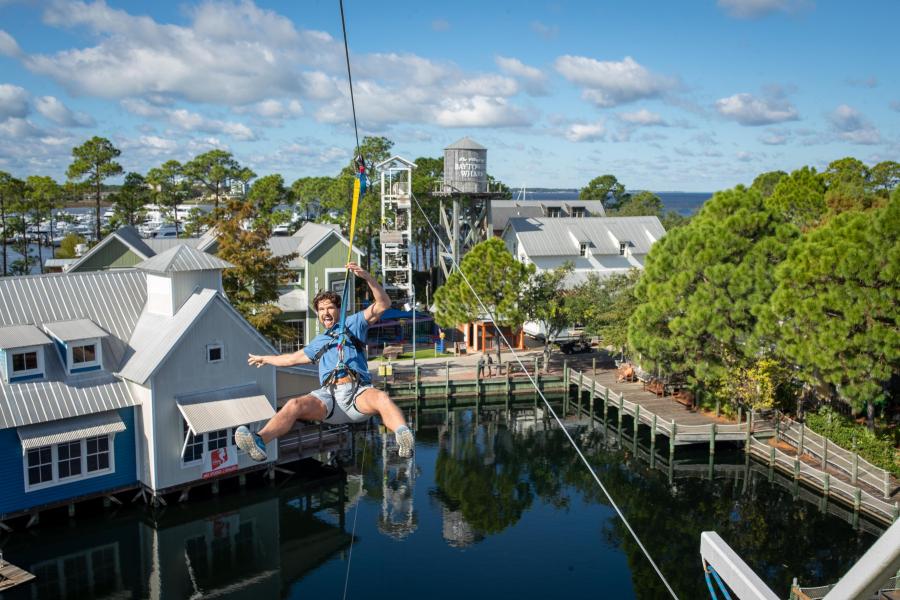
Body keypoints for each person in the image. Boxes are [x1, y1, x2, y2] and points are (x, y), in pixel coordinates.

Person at [235, 263, 415, 459]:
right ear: (318, 314)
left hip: (357, 393)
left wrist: (367, 278)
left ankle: (403, 436)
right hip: (328, 398)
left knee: (381, 398)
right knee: (294, 404)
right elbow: (292, 359)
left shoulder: (353, 323)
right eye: (321, 309)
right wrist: (266, 359)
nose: (326, 312)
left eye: (330, 307)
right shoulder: (318, 342)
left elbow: (383, 304)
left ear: (339, 309)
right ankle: (260, 441)